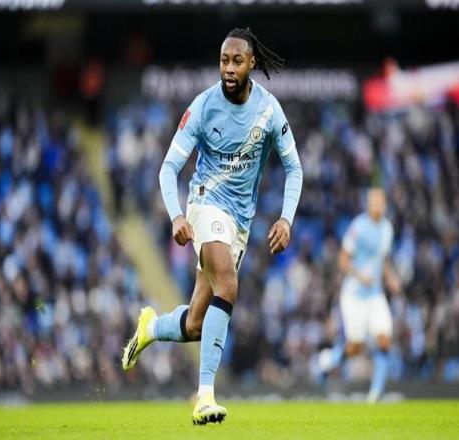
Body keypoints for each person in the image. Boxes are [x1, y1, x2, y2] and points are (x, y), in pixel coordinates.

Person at [122, 27, 303, 425]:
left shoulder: (269, 110)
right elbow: (168, 168)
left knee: (196, 324)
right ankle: (204, 396)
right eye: (224, 60)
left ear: (252, 63)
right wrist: (177, 215)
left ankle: (151, 327)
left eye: (237, 61)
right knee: (228, 284)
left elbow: (294, 167)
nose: (229, 68)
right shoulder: (203, 106)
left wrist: (286, 218)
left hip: (240, 222)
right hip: (205, 205)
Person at [318, 188, 401, 403]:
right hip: (354, 294)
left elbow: (383, 261)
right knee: (356, 346)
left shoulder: (387, 229)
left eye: (380, 201)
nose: (377, 205)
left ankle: (375, 394)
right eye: (374, 201)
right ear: (367, 204)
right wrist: (360, 276)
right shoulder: (358, 227)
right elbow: (342, 259)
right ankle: (329, 361)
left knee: (384, 339)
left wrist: (391, 278)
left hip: (375, 295)